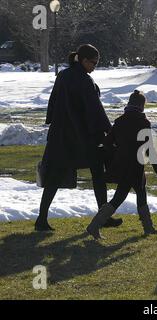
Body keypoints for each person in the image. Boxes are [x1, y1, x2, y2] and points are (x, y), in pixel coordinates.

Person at [35, 44, 122, 231]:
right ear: (83, 60)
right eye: (93, 63)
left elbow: (53, 103)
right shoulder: (84, 81)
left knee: (54, 177)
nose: (95, 67)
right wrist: (110, 132)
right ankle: (103, 217)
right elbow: (95, 110)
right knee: (98, 174)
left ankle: (41, 219)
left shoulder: (63, 76)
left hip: (61, 136)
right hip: (83, 138)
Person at [86, 90, 157, 240]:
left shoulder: (119, 121)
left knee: (139, 193)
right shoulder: (143, 123)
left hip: (122, 166)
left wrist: (119, 151)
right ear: (141, 106)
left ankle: (148, 227)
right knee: (119, 198)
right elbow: (149, 149)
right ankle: (94, 226)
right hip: (135, 168)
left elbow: (107, 143)